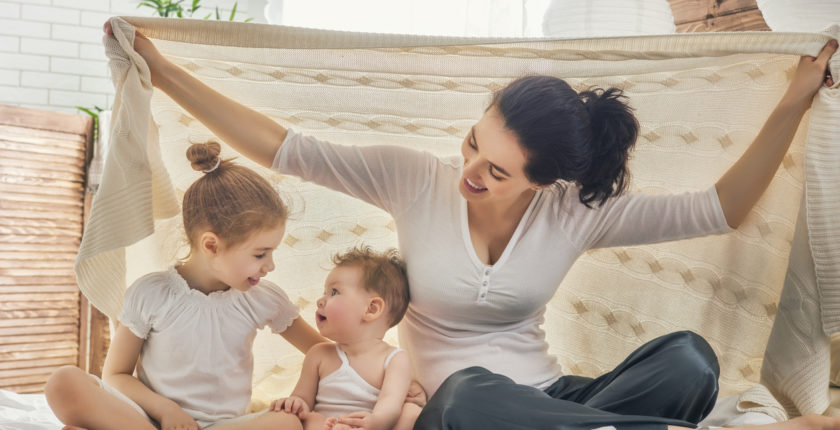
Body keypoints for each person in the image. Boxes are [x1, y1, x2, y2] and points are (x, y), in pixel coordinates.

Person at [104, 20, 839, 430]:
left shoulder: (576, 214)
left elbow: (719, 208)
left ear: (546, 181)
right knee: (465, 394)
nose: (470, 174)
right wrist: (160, 72)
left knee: (690, 361)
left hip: (550, 407)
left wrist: (795, 100)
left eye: (497, 171)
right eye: (472, 145)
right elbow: (280, 148)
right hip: (461, 414)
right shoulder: (412, 179)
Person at [44, 141, 326, 430]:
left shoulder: (263, 299)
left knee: (287, 423)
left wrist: (302, 397)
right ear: (211, 245)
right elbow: (115, 375)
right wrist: (165, 410)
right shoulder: (152, 294)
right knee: (64, 383)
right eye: (260, 254)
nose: (270, 266)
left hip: (224, 426)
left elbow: (324, 354)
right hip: (148, 420)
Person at [269, 246, 419, 430]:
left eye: (333, 292)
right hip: (323, 425)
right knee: (288, 419)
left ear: (371, 309)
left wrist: (375, 422)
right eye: (324, 292)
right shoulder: (318, 354)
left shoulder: (395, 359)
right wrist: (295, 403)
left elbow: (391, 404)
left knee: (411, 412)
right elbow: (302, 399)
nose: (320, 300)